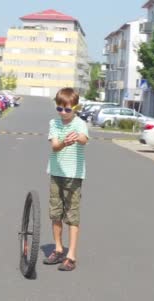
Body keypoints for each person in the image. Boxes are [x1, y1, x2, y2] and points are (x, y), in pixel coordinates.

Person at [43, 87, 89, 271]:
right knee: (55, 213)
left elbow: (85, 139)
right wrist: (64, 143)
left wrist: (77, 138)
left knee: (72, 215)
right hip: (56, 173)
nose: (63, 113)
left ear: (75, 108)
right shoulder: (54, 123)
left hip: (74, 176)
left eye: (67, 109)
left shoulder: (80, 124)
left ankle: (71, 255)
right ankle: (58, 248)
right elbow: (54, 146)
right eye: (59, 108)